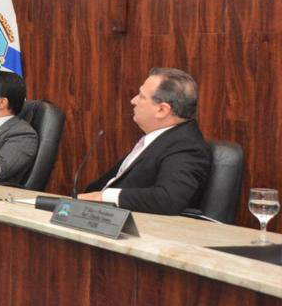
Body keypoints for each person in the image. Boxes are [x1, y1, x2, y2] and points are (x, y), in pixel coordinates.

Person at [79, 67, 211, 215]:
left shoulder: (187, 147)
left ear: (162, 110)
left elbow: (167, 199)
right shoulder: (160, 138)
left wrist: (104, 197)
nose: (133, 100)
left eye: (141, 97)